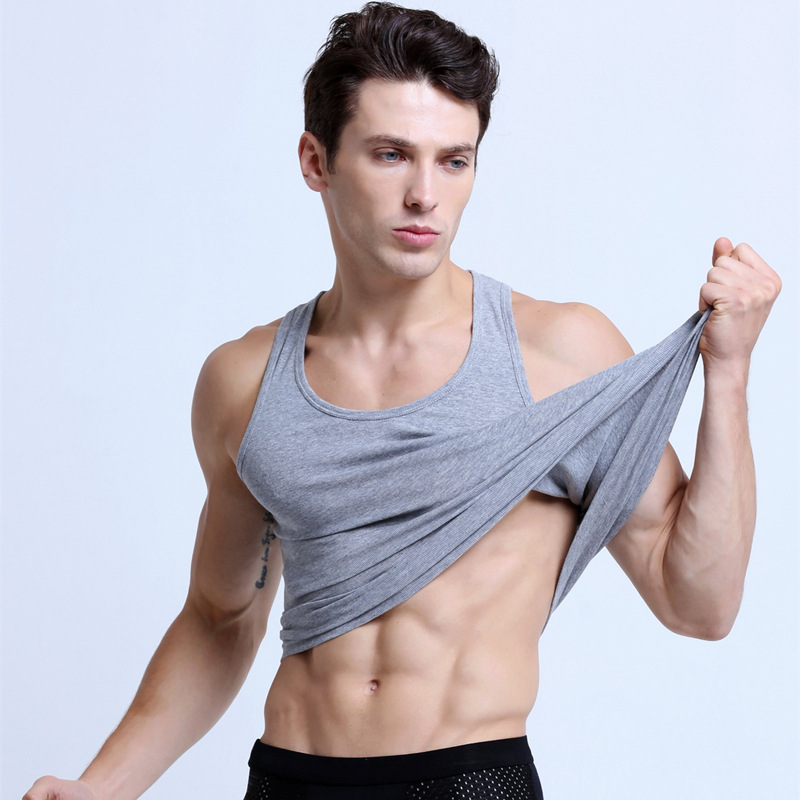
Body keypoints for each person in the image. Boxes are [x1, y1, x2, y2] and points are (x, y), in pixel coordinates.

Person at [23, 3, 780, 799]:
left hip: (465, 781)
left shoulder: (559, 356)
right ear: (316, 161)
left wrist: (728, 373)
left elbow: (698, 602)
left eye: (454, 161)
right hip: (288, 780)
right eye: (391, 155)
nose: (425, 195)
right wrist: (103, 785)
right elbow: (220, 620)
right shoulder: (243, 381)